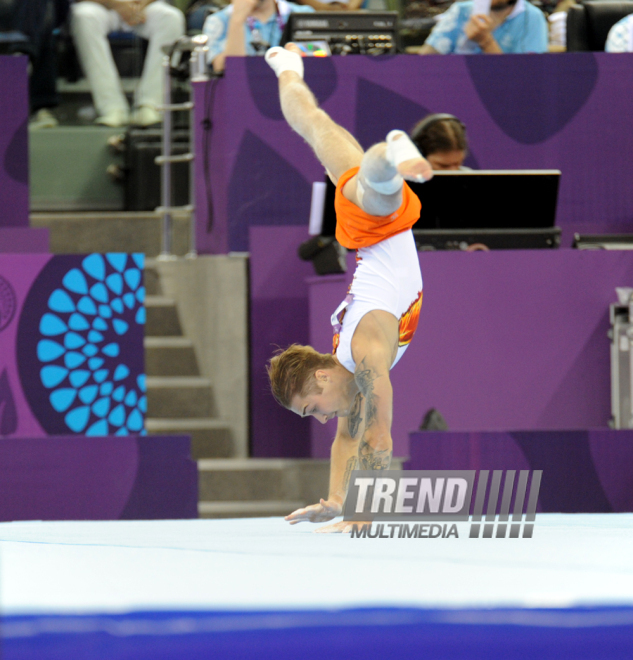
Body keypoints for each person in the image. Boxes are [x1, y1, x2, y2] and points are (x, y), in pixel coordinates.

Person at [265, 44, 432, 534]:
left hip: (374, 227)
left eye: (310, 410)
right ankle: (289, 67)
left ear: (319, 381)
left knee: (379, 185)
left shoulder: (363, 353)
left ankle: (393, 149)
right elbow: (346, 441)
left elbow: (379, 436)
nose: (318, 420)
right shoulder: (346, 369)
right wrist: (337, 500)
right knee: (314, 124)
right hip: (364, 237)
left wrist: (363, 514)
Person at [71, 0, 186, 127]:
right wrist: (116, 3)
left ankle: (151, 105)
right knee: (83, 16)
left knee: (171, 17)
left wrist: (140, 3)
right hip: (101, 5)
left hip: (144, 6)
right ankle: (111, 108)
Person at [202, 0, 313, 74]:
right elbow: (225, 69)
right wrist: (237, 21)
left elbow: (319, 57)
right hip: (243, 94)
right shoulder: (219, 21)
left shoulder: (303, 14)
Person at [419, 0, 548, 54]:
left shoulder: (531, 17)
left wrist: (486, 41)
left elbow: (527, 78)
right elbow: (425, 61)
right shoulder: (460, 11)